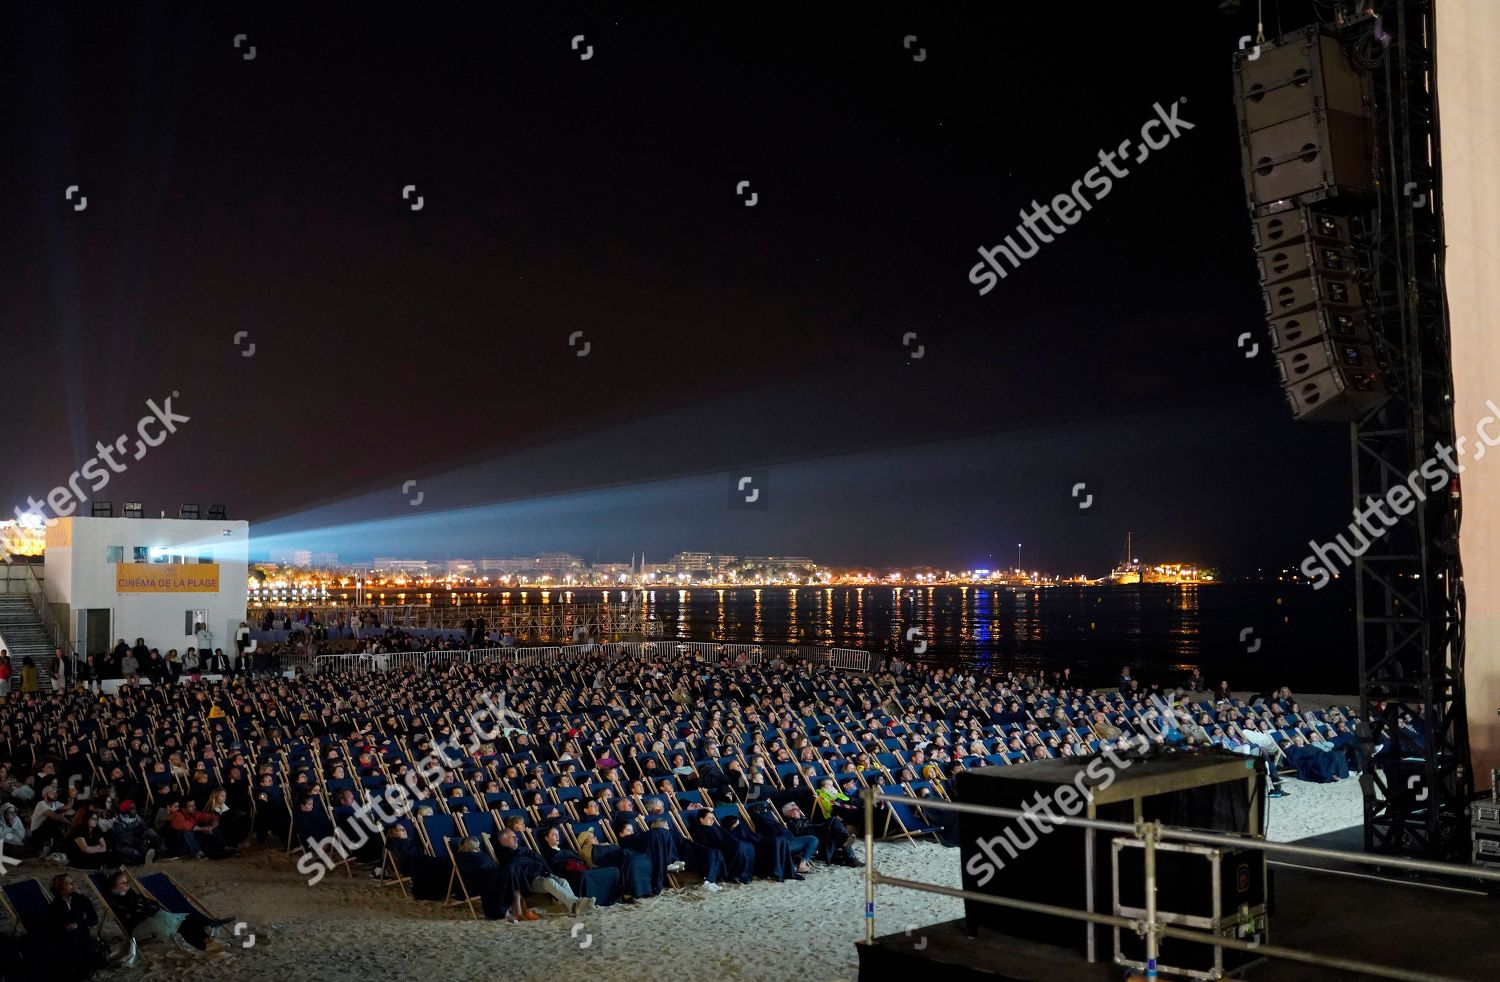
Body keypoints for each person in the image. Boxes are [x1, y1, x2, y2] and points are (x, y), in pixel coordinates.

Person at [101, 868, 231, 955]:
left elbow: (146, 903)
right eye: (123, 883)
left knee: (187, 918)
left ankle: (209, 942)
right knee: (180, 925)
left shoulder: (128, 892)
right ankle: (206, 946)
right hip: (138, 925)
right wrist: (144, 907)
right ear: (115, 887)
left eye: (127, 882)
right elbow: (131, 915)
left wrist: (146, 906)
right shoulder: (115, 899)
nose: (127, 885)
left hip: (152, 917)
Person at [490, 827, 592, 920]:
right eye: (512, 837)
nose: (516, 839)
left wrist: (547, 871)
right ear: (503, 840)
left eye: (515, 836)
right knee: (550, 882)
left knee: (563, 881)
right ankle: (575, 904)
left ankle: (574, 905)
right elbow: (515, 869)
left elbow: (539, 859)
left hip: (542, 872)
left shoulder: (524, 850)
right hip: (529, 880)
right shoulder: (504, 856)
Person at [538, 824, 622, 905]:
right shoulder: (547, 854)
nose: (557, 836)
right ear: (546, 838)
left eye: (558, 834)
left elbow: (579, 859)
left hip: (582, 867)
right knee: (584, 875)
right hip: (569, 872)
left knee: (614, 871)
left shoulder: (566, 848)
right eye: (554, 834)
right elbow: (555, 866)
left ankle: (610, 897)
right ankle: (591, 900)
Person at [45, 873, 101, 981]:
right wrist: (64, 927)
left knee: (78, 934)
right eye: (70, 883)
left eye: (72, 882)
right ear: (61, 888)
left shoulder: (81, 899)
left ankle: (84, 968)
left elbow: (94, 919)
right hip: (65, 939)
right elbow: (51, 926)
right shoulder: (55, 905)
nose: (74, 885)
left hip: (82, 936)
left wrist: (78, 924)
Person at [110, 799, 162, 865]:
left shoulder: (136, 817)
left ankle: (156, 854)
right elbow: (125, 839)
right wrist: (142, 841)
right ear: (125, 810)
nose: (135, 811)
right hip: (124, 846)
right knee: (136, 854)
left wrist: (152, 838)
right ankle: (144, 860)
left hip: (137, 842)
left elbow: (145, 828)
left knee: (151, 833)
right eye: (132, 809)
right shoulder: (118, 823)